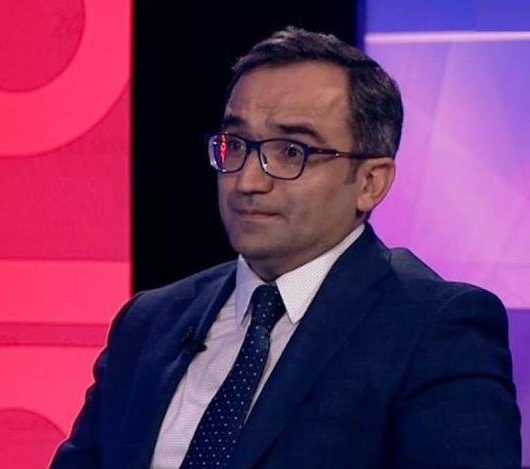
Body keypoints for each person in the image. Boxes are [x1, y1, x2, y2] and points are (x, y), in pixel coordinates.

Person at [50, 26, 521, 468]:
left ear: (370, 183)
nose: (247, 182)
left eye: (291, 151)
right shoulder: (148, 324)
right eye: (236, 145)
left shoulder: (435, 329)